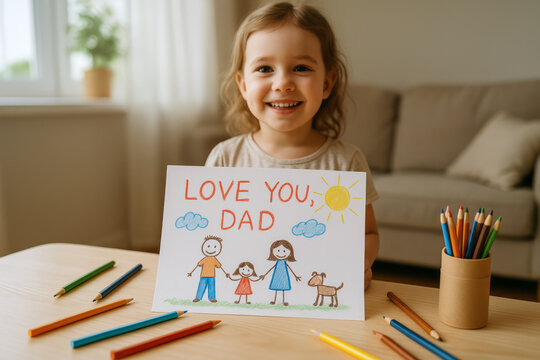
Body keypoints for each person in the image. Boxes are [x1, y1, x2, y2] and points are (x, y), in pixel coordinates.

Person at [205, 2, 379, 289]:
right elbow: (210, 237)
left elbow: (368, 234)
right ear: (243, 84)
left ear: (327, 82)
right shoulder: (224, 158)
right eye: (264, 68)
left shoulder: (346, 163)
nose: (283, 83)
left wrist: (361, 260)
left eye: (300, 68)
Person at [187, 235, 229, 302]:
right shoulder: (205, 259)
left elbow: (219, 266)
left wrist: (226, 273)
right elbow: (198, 265)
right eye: (208, 246)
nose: (211, 249)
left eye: (215, 247)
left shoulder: (214, 259)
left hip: (212, 276)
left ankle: (212, 298)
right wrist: (191, 272)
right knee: (201, 286)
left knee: (211, 287)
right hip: (203, 275)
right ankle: (198, 297)